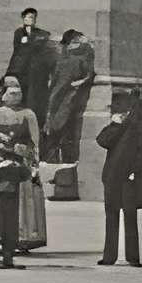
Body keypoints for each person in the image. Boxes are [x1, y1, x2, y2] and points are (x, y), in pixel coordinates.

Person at [96, 89, 142, 268]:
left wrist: (136, 172)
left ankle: (131, 256)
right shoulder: (118, 127)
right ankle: (111, 256)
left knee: (129, 214)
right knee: (113, 215)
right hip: (113, 175)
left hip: (128, 177)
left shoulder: (139, 127)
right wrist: (115, 125)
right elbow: (102, 140)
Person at [0, 75, 47, 252]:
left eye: (18, 90)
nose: (15, 94)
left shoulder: (29, 115)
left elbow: (35, 141)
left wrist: (30, 156)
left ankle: (24, 237)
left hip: (23, 161)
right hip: (2, 160)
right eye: (10, 90)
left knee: (26, 197)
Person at [42, 29, 96, 189]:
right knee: (60, 136)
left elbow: (61, 87)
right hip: (63, 102)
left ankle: (60, 176)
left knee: (59, 135)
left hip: (66, 101)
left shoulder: (74, 59)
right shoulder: (67, 59)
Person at [0, 108, 36, 269]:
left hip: (11, 193)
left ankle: (8, 255)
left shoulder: (16, 158)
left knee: (11, 226)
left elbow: (25, 174)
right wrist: (1, 167)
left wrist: (17, 166)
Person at [8, 10, 54, 109]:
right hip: (22, 67)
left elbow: (44, 37)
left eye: (32, 17)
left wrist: (30, 41)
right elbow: (18, 50)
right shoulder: (19, 32)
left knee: (34, 91)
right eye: (28, 17)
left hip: (34, 67)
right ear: (23, 19)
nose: (30, 20)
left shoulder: (39, 32)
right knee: (23, 89)